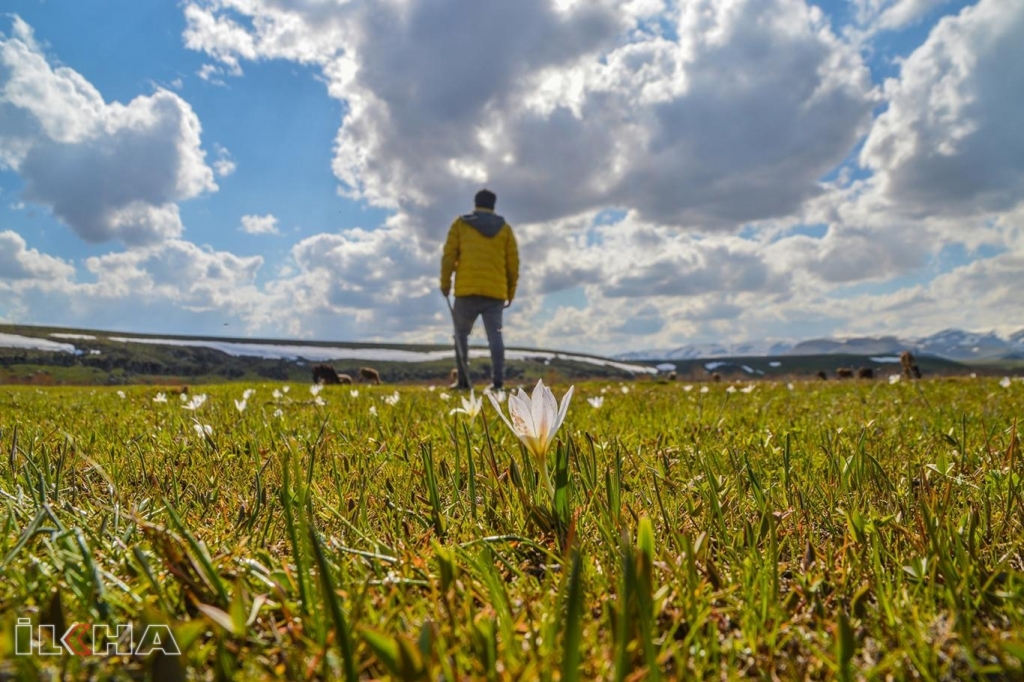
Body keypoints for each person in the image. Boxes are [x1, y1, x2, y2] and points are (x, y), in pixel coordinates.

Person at [440, 189, 519, 390]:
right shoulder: (505, 229)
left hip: (466, 291)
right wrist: (510, 293)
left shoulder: (460, 224)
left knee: (461, 335)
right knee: (495, 336)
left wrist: (445, 284)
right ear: (494, 205)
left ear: (475, 203)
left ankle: (464, 382)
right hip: (495, 293)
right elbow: (513, 264)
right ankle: (498, 383)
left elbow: (449, 256)